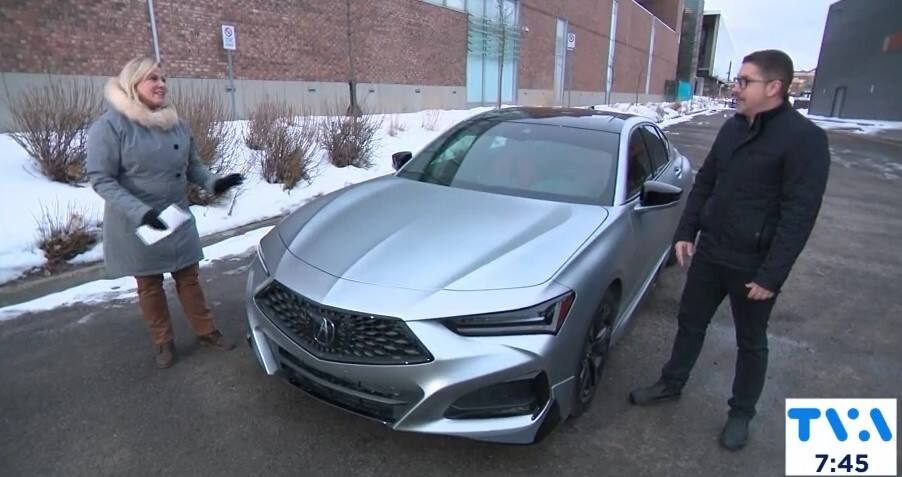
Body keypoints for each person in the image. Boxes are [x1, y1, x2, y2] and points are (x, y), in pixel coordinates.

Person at [628, 50, 830, 450]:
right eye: (737, 80)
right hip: (712, 253)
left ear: (774, 87)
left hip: (754, 266)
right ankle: (672, 382)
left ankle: (741, 413)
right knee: (690, 322)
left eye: (744, 81)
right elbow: (706, 183)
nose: (735, 88)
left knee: (751, 341)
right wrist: (686, 231)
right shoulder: (733, 128)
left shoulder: (805, 140)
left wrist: (772, 275)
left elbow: (798, 216)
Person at [86, 57, 245, 369]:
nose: (161, 84)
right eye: (152, 79)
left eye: (163, 78)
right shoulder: (110, 126)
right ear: (133, 85)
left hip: (175, 215)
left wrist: (213, 182)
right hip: (137, 221)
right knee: (149, 284)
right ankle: (163, 342)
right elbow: (100, 179)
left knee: (189, 277)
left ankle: (207, 331)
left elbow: (192, 166)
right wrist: (140, 212)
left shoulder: (176, 123)